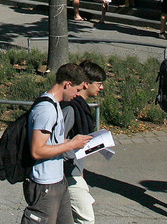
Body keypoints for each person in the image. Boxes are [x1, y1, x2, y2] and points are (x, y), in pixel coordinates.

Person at [22, 63, 93, 224]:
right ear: (67, 84)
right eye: (77, 89)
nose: (78, 94)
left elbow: (52, 142)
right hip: (45, 184)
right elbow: (37, 151)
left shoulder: (56, 106)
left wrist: (68, 143)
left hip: (58, 180)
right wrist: (71, 145)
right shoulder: (46, 110)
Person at [62, 61, 106, 224]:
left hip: (74, 171)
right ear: (87, 84)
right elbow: (57, 141)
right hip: (68, 173)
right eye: (99, 84)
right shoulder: (71, 109)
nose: (101, 88)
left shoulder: (80, 107)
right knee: (86, 220)